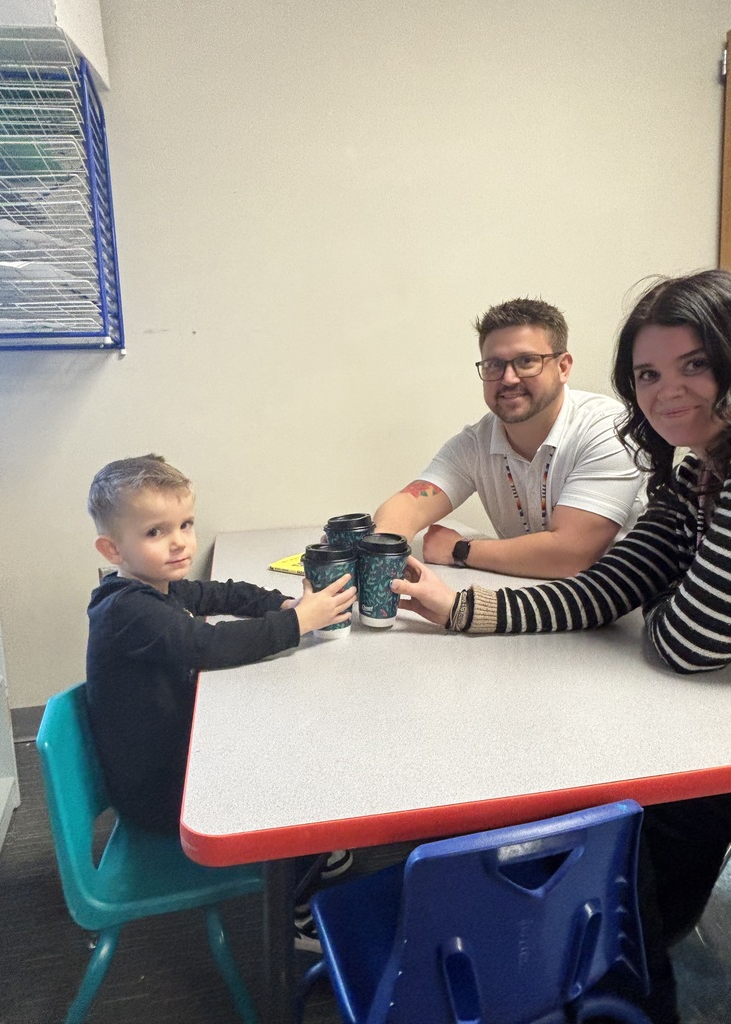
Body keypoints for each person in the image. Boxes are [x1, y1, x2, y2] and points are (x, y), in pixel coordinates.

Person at [391, 269, 731, 1022]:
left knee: (622, 842)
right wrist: (459, 610)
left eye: (695, 364)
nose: (667, 390)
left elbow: (681, 640)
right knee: (610, 843)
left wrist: (664, 588)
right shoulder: (692, 482)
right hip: (705, 720)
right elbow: (604, 591)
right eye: (649, 373)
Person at [85, 455, 356, 916]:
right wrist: (297, 622)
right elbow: (207, 645)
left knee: (274, 734)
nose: (179, 543)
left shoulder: (155, 587)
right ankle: (293, 909)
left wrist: (285, 601)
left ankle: (304, 858)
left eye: (185, 524)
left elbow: (222, 593)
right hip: (164, 793)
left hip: (169, 760)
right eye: (155, 532)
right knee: (285, 766)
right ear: (113, 550)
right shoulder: (128, 611)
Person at [373, 297, 645, 579]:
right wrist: (381, 552)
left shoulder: (609, 428)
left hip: (622, 612)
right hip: (532, 604)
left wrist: (460, 549)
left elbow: (571, 556)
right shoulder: (475, 443)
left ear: (563, 367)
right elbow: (407, 506)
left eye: (527, 361)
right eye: (494, 365)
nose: (508, 378)